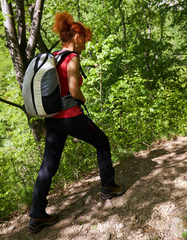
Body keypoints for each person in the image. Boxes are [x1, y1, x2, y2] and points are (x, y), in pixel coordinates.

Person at [28, 12, 124, 233]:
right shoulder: (72, 58)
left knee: (47, 167)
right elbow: (73, 90)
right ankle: (108, 187)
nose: (84, 44)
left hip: (52, 120)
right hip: (71, 117)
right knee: (102, 142)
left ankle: (37, 216)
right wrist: (82, 98)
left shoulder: (53, 56)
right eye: (83, 40)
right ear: (76, 37)